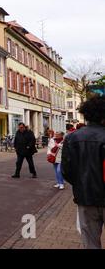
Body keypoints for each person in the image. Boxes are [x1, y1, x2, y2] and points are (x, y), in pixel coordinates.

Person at [61, 95, 105, 249]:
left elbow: (66, 171)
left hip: (85, 198)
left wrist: (80, 183)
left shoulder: (72, 138)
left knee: (90, 242)